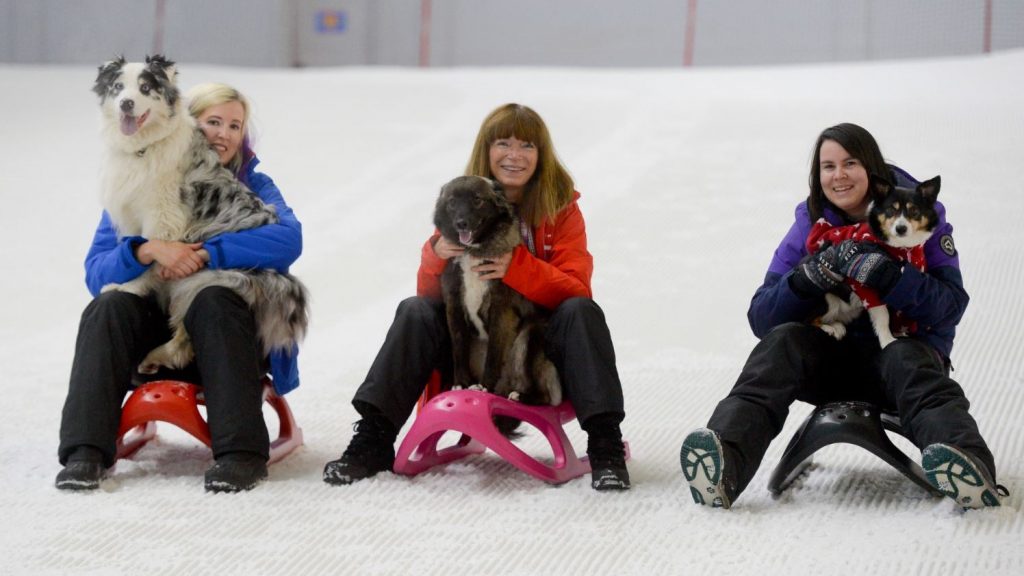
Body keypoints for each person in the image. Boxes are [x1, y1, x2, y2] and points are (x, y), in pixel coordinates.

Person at [680, 122, 1006, 509]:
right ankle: (723, 465)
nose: (839, 175)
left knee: (908, 360)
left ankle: (970, 469)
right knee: (782, 343)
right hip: (832, 365)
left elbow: (951, 306)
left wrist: (893, 278)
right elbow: (761, 317)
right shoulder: (810, 225)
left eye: (850, 163)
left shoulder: (918, 214)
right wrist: (804, 280)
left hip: (902, 365)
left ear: (871, 167)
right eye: (828, 166)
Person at [323, 103, 630, 490]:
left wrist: (517, 268)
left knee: (581, 311)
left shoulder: (561, 209)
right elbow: (433, 298)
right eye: (503, 143)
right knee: (414, 311)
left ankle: (606, 446)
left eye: (527, 146)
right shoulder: (461, 202)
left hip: (534, 356)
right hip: (467, 355)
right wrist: (434, 257)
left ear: (542, 155)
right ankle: (372, 440)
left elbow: (576, 287)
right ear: (487, 150)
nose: (514, 155)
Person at [56, 83, 303, 493]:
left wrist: (205, 253)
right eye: (213, 122)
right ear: (186, 125)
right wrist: (149, 250)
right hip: (156, 337)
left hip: (225, 340)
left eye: (234, 126)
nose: (224, 134)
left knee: (214, 298)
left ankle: (241, 454)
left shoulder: (254, 184)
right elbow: (96, 273)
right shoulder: (140, 179)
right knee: (108, 306)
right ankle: (85, 453)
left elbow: (289, 240)